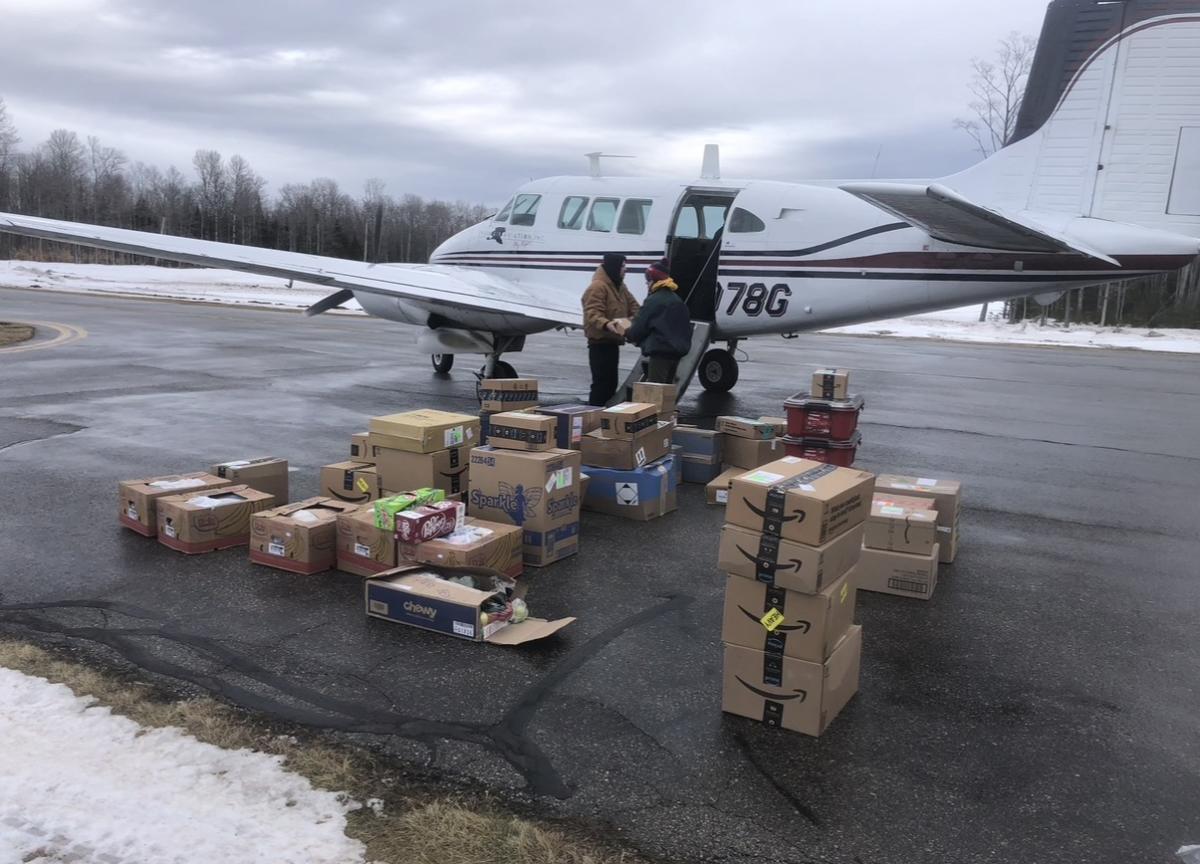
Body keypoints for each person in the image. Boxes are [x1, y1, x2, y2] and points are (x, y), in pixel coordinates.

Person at [582, 252, 640, 406]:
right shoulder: (597, 287)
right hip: (599, 343)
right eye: (622, 266)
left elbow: (635, 307)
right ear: (614, 267)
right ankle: (594, 416)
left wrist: (629, 323)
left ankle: (604, 416)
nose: (625, 270)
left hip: (613, 342)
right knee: (601, 384)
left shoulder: (620, 286)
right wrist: (606, 324)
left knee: (610, 383)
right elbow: (592, 312)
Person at [626, 258, 692, 385]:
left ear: (653, 281)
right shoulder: (677, 300)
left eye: (647, 281)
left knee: (656, 393)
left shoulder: (654, 300)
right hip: (676, 354)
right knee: (667, 391)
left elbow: (638, 328)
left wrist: (627, 333)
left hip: (660, 355)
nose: (647, 285)